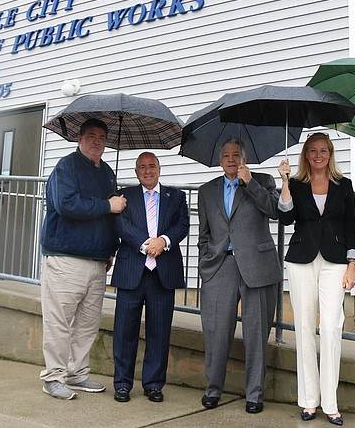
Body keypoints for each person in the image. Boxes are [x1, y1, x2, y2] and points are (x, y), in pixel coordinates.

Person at [39, 118, 127, 400]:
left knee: (87, 323)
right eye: (91, 136)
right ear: (80, 138)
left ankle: (77, 374)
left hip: (97, 260)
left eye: (102, 137)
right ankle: (53, 377)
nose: (96, 141)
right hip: (66, 257)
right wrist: (107, 204)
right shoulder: (67, 166)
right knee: (59, 321)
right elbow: (66, 204)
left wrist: (111, 249)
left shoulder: (108, 172)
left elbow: (111, 217)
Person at [277, 132, 355, 426]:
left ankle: (331, 403)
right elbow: (286, 219)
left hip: (336, 261)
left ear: (330, 153)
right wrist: (285, 183)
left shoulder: (344, 185)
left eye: (323, 150)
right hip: (301, 260)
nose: (318, 155)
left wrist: (353, 264)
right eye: (312, 150)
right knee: (303, 328)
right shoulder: (296, 184)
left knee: (331, 328)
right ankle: (309, 401)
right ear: (306, 155)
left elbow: (352, 225)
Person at [197, 138, 282, 414]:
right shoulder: (207, 190)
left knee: (256, 334)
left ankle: (254, 395)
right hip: (220, 266)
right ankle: (213, 389)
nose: (231, 159)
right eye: (226, 155)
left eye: (236, 155)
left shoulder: (263, 180)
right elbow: (204, 234)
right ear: (220, 159)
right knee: (216, 332)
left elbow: (276, 210)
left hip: (257, 267)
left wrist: (250, 184)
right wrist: (204, 261)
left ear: (244, 158)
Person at [111, 152, 190, 403]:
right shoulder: (125, 196)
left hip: (162, 273)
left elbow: (183, 224)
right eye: (142, 167)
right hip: (132, 271)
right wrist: (146, 245)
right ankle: (122, 384)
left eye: (152, 166)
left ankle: (154, 384)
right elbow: (120, 225)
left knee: (159, 332)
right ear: (136, 172)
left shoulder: (176, 197)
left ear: (159, 169)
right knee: (124, 331)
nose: (147, 170)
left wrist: (163, 241)